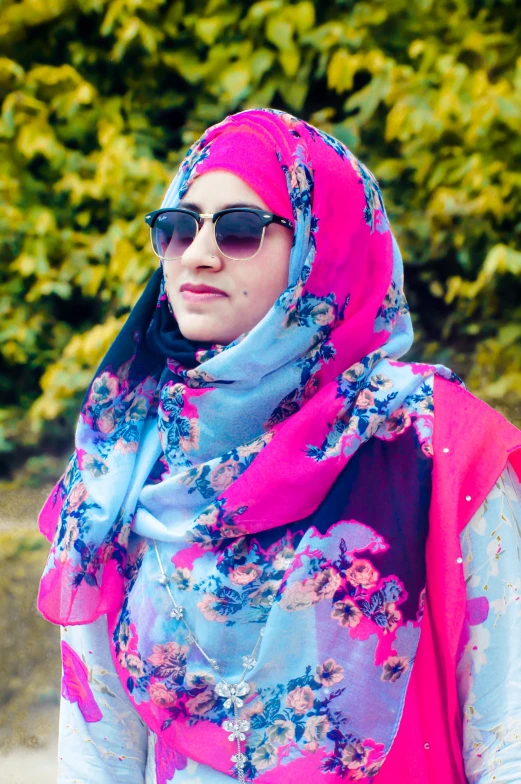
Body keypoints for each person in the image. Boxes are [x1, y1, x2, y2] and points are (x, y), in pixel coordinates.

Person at [37, 109, 521, 783]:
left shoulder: (432, 444)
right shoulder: (121, 458)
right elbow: (97, 748)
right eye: (177, 228)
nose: (198, 253)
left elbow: (506, 732)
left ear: (322, 253)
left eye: (239, 231)